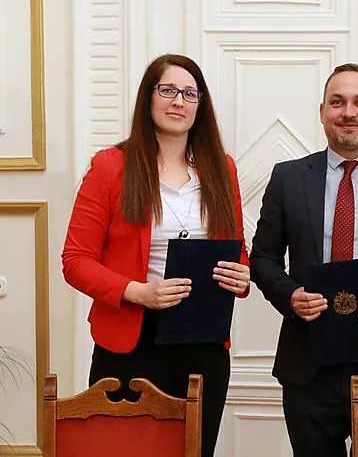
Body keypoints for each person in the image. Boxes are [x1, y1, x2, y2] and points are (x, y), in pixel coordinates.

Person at [61, 53, 250, 457]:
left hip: (203, 341)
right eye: (168, 90)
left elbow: (238, 250)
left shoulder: (222, 168)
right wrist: (137, 291)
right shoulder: (111, 166)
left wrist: (242, 275)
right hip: (131, 340)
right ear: (148, 97)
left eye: (190, 93)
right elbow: (75, 261)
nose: (178, 101)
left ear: (200, 105)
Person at [250, 63, 358, 457]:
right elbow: (262, 257)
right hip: (308, 363)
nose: (349, 112)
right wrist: (290, 296)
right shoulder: (289, 178)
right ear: (322, 111)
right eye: (338, 102)